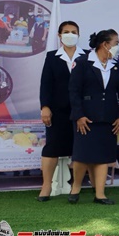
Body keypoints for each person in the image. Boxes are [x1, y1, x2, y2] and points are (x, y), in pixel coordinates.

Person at [68, 29, 119, 205]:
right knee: (82, 155)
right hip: (85, 118)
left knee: (104, 155)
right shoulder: (82, 63)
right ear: (105, 44)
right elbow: (74, 92)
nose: (118, 47)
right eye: (116, 43)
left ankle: (100, 194)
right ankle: (76, 187)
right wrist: (79, 115)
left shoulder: (118, 66)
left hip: (108, 118)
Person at [38, 21, 86, 201]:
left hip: (82, 111)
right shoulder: (52, 57)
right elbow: (46, 84)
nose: (70, 35)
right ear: (59, 35)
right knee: (52, 146)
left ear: (78, 35)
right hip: (57, 110)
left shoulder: (87, 56)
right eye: (66, 32)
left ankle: (76, 186)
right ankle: (46, 186)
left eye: (74, 32)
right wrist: (45, 107)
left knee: (81, 149)